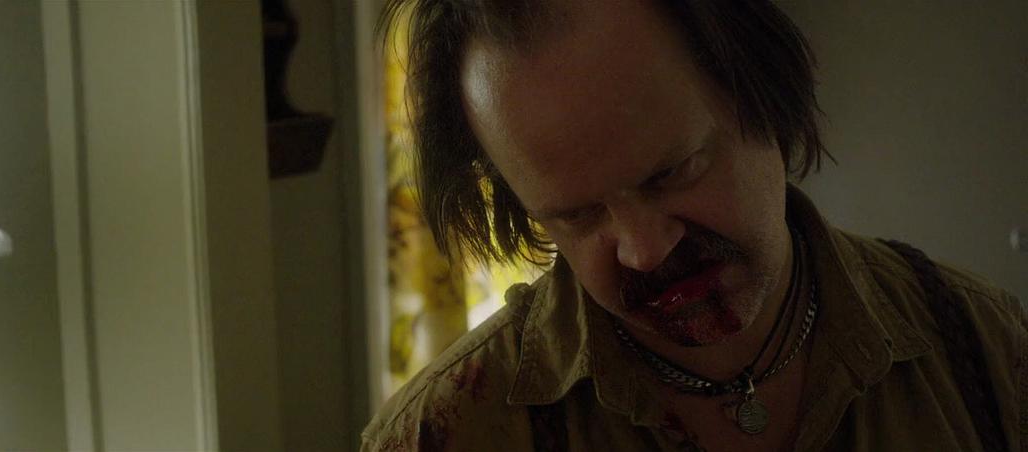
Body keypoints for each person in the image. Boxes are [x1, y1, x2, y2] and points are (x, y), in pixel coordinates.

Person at [363, 1, 1025, 450]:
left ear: (764, 94)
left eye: (672, 173)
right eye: (577, 214)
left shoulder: (985, 351)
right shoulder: (445, 433)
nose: (645, 251)